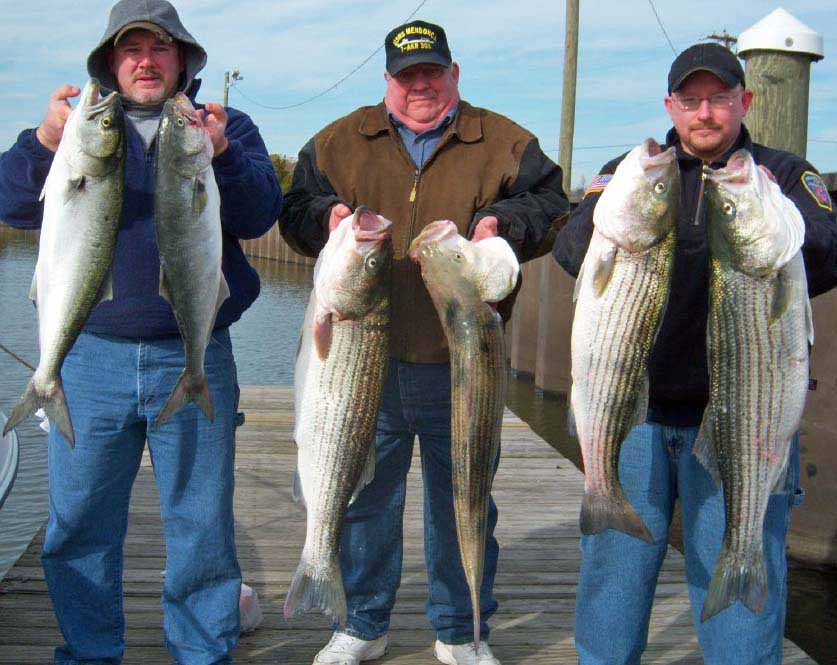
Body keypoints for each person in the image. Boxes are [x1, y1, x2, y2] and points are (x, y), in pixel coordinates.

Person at [0, 1, 282, 663]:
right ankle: (91, 649)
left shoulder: (225, 125)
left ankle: (201, 650)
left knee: (201, 524)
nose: (146, 61)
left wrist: (224, 154)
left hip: (194, 350)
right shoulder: (76, 129)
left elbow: (261, 210)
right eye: (131, 50)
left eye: (160, 48)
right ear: (109, 62)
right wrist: (42, 142)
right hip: (87, 357)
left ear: (183, 59)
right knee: (78, 523)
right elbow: (11, 203)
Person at [279, 19, 568, 665]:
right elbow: (294, 209)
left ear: (453, 75)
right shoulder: (338, 140)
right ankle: (361, 623)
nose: (420, 86)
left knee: (462, 501)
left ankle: (460, 629)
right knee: (362, 499)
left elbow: (553, 206)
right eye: (407, 76)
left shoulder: (503, 140)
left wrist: (504, 224)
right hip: (364, 366)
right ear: (387, 81)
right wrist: (325, 217)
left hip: (460, 364)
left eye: (431, 73)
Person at [553, 42, 837, 665]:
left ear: (745, 101)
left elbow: (826, 246)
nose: (704, 113)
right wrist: (607, 214)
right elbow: (572, 250)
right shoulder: (637, 171)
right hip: (636, 415)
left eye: (719, 99)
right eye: (691, 99)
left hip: (741, 415)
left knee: (738, 587)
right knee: (614, 578)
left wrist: (765, 212)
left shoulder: (784, 174)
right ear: (671, 105)